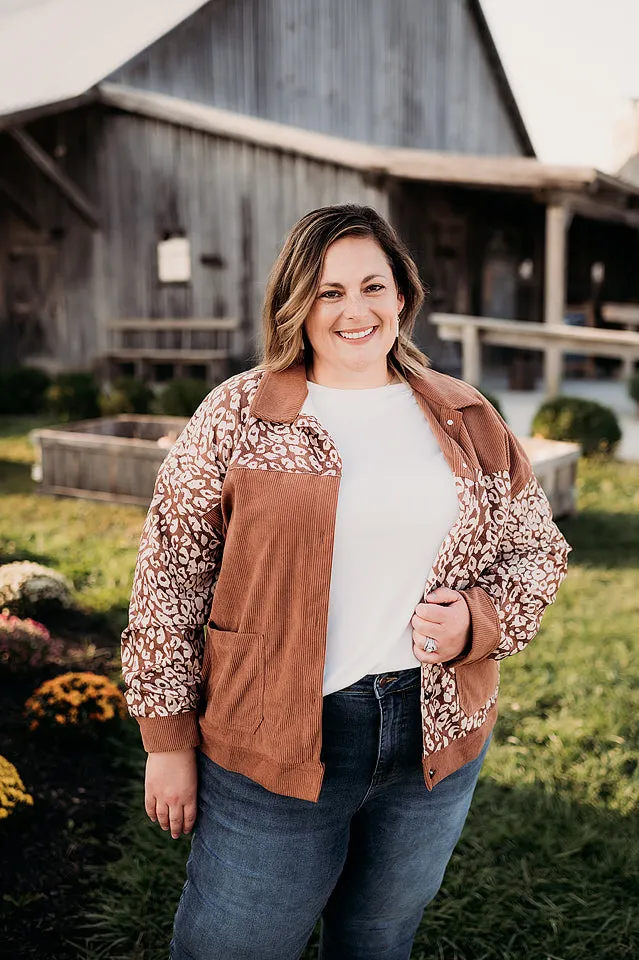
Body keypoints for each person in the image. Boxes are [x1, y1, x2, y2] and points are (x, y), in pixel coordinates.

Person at [121, 204, 570, 960]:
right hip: (273, 738)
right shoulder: (238, 414)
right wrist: (166, 740)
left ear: (402, 295)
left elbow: (536, 549)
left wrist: (477, 620)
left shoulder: (464, 414)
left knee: (377, 938)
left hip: (432, 735)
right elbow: (168, 577)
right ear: (296, 302)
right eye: (329, 292)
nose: (354, 310)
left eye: (372, 286)